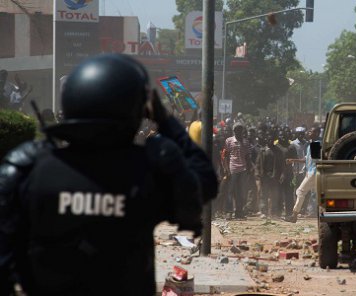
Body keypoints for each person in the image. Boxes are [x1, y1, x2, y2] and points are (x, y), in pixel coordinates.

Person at [0, 54, 218, 295]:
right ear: (138, 110)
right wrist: (166, 121)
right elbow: (206, 182)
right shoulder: (149, 170)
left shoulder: (29, 168)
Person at [286, 127, 321, 223]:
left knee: (300, 191)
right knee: (317, 195)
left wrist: (310, 173)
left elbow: (316, 161)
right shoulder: (311, 145)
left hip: (312, 172)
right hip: (312, 172)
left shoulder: (315, 145)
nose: (309, 132)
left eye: (312, 131)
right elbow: (306, 159)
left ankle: (294, 215)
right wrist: (293, 160)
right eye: (309, 131)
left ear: (317, 133)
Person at [223, 122, 252, 219]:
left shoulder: (246, 142)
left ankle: (239, 211)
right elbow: (226, 156)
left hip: (243, 169)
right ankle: (229, 211)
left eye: (240, 129)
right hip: (232, 168)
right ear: (234, 131)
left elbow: (248, 157)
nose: (238, 131)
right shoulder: (229, 141)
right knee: (230, 191)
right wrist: (226, 169)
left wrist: (249, 168)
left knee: (241, 191)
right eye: (237, 129)